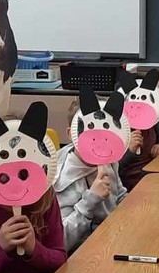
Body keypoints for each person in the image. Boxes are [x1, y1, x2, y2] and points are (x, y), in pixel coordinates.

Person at [55, 99, 129, 253]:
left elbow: (119, 196)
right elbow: (61, 241)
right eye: (90, 130)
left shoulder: (110, 160)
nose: (99, 139)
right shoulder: (60, 179)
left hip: (116, 240)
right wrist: (90, 200)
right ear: (71, 133)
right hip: (84, 256)